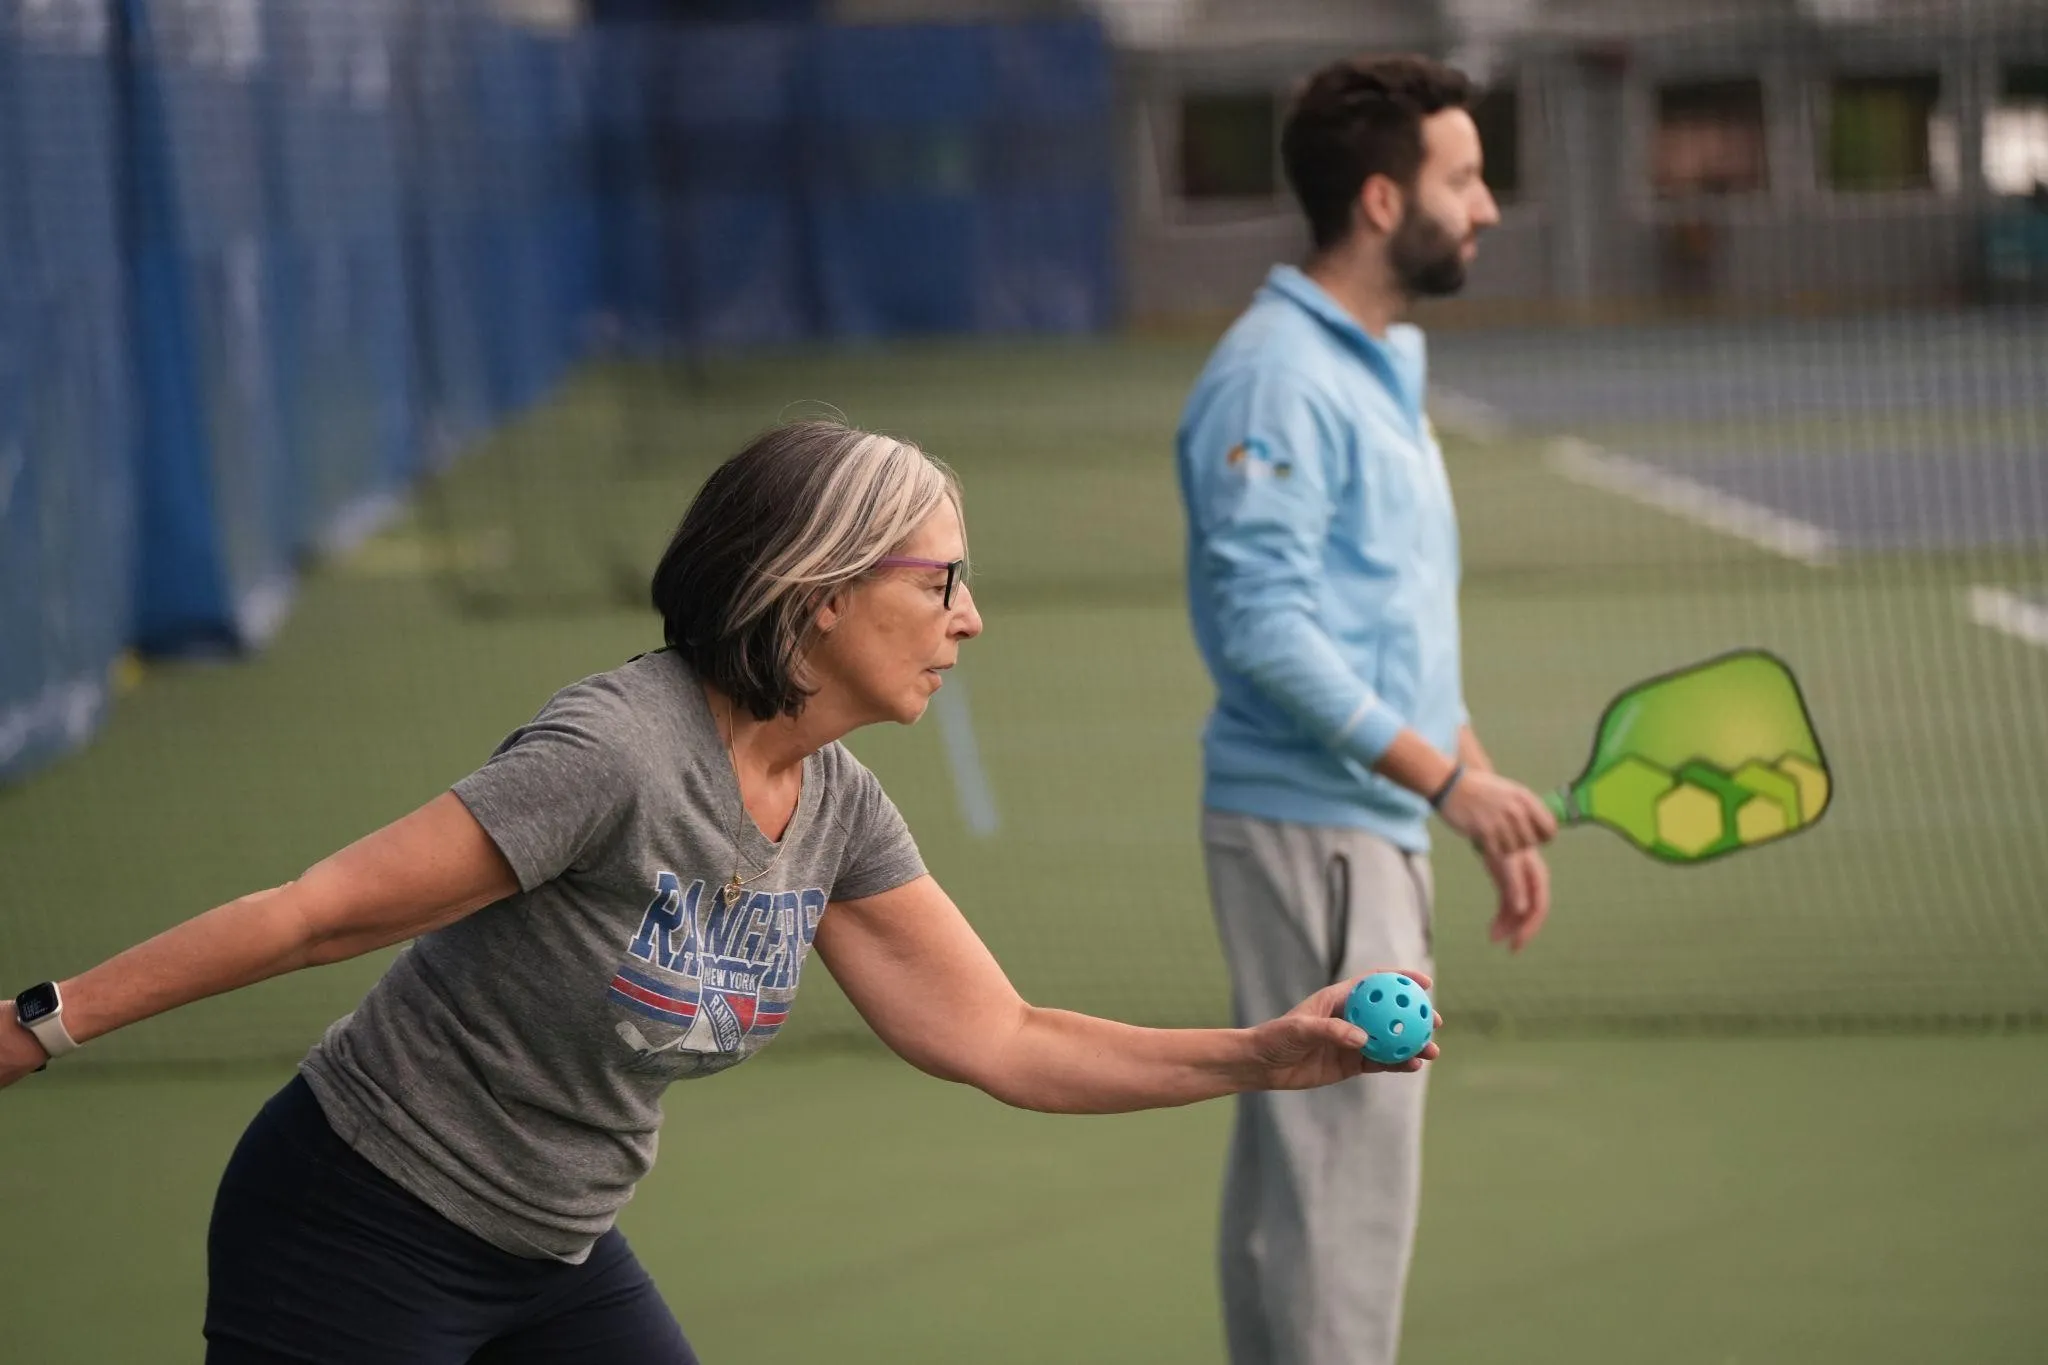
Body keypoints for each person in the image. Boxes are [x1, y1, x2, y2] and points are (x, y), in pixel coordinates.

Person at [2, 419, 1438, 1365]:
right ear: (820, 592)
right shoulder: (618, 753)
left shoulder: (835, 810)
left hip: (554, 1253)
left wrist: (1266, 1054)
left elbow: (1004, 1038)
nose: (971, 618)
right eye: (942, 580)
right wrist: (37, 1026)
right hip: (357, 1224)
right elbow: (323, 910)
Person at [1174, 55, 1559, 1365]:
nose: (1488, 206)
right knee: (1338, 1189)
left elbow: (1389, 620)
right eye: (1466, 178)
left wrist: (1473, 786)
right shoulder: (1278, 379)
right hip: (1315, 830)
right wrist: (1443, 784)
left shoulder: (1379, 364)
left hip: (1366, 822)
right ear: (1387, 201)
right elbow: (1268, 636)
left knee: (1313, 1186)